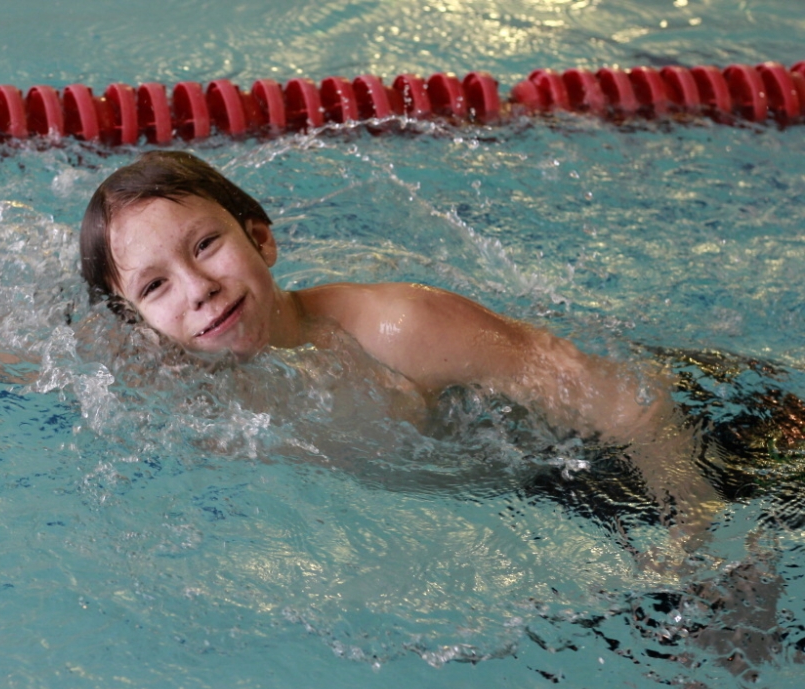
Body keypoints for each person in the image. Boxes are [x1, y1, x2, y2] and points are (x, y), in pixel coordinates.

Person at [80, 149, 726, 545]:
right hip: (538, 499)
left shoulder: (400, 328)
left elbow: (633, 403)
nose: (198, 289)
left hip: (676, 446)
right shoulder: (176, 383)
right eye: (156, 286)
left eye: (205, 245)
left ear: (261, 239)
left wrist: (695, 533)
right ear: (139, 325)